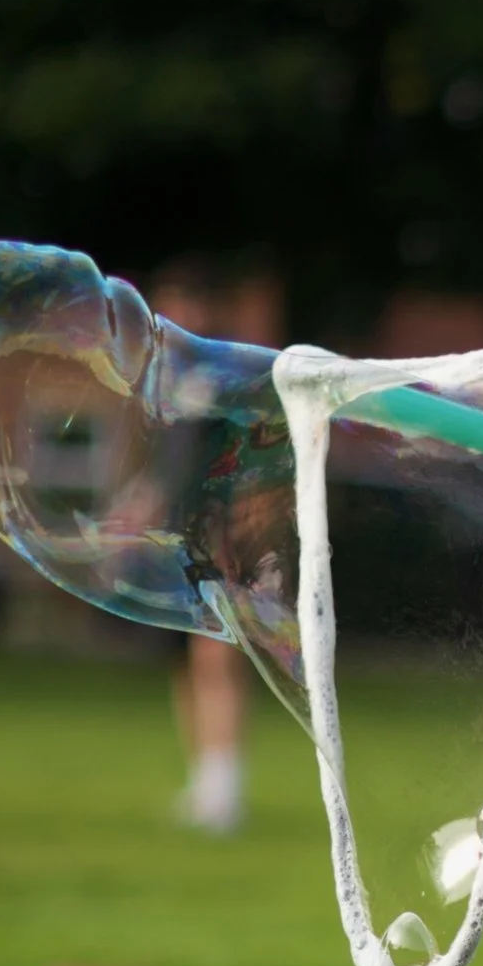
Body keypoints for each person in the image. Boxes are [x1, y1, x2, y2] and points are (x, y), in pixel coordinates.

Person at [149, 257, 286, 833]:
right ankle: (204, 777)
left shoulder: (222, 376)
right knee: (188, 659)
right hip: (176, 531)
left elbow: (246, 467)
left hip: (220, 532)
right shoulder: (164, 378)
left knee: (217, 654)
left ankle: (224, 786)